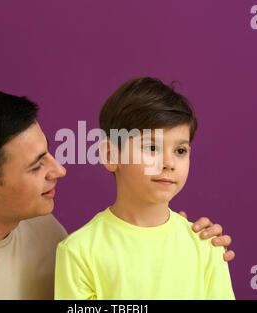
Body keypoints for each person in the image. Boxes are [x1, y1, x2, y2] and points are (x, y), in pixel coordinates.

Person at [0, 89, 234, 299]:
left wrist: (175, 239)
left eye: (49, 152)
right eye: (37, 166)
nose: (60, 169)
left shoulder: (44, 230)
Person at [54, 77, 235, 300]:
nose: (169, 163)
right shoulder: (78, 252)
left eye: (180, 151)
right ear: (111, 155)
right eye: (152, 147)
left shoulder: (207, 246)